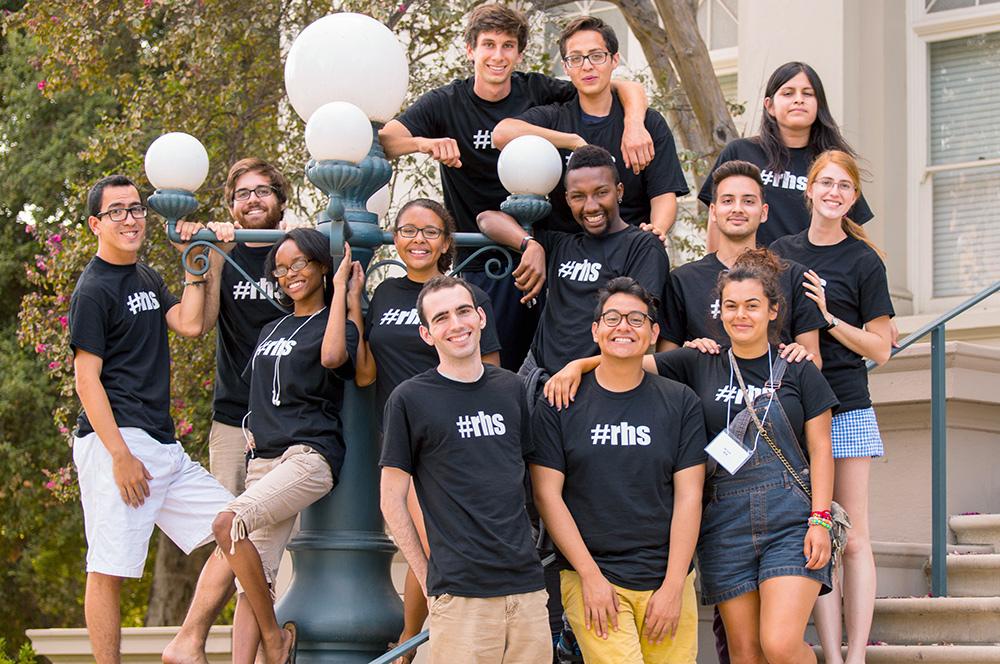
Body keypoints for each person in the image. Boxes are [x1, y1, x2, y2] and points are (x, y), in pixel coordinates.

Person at [547, 249, 838, 664]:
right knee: (744, 651)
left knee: (779, 643)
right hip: (724, 520)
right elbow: (626, 353)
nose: (741, 315)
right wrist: (576, 365)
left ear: (774, 311)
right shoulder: (699, 361)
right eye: (731, 306)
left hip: (790, 517)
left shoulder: (799, 367)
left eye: (753, 306)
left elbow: (821, 448)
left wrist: (820, 518)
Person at [379, 3, 652, 371]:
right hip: (483, 257)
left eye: (508, 46)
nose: (497, 55)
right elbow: (388, 140)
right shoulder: (447, 102)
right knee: (492, 367)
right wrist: (424, 144)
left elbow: (621, 85)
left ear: (519, 53)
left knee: (556, 364)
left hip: (548, 253)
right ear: (470, 50)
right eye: (488, 45)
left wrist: (634, 124)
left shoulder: (535, 90)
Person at [69, 175, 235, 664]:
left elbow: (190, 323)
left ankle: (186, 643)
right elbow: (86, 381)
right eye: (116, 211)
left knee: (238, 527)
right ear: (96, 224)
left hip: (163, 445)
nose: (131, 219)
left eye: (136, 209)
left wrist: (205, 260)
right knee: (109, 569)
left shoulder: (145, 277)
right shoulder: (93, 289)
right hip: (116, 443)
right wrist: (119, 455)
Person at [351, 199, 501, 661]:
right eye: (408, 230)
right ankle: (419, 636)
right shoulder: (388, 293)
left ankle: (413, 640)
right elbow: (364, 375)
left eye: (430, 231)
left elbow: (489, 370)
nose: (418, 239)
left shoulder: (465, 299)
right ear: (395, 237)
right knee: (419, 536)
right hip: (401, 434)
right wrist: (355, 306)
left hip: (454, 438)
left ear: (446, 243)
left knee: (432, 538)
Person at [529, 277, 705, 664]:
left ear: (654, 333)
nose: (623, 326)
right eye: (611, 317)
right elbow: (546, 494)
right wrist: (590, 578)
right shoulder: (561, 401)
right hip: (593, 574)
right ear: (595, 330)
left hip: (668, 577)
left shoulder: (681, 402)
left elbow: (690, 496)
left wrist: (674, 585)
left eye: (636, 319)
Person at [206, 228, 359, 664]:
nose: (290, 274)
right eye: (281, 268)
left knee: (226, 524)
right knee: (252, 578)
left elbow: (332, 358)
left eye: (300, 264)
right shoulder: (272, 326)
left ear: (321, 266)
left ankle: (273, 640)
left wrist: (343, 287)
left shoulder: (336, 324)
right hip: (263, 459)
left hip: (308, 456)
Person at [380, 276, 550, 664]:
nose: (456, 325)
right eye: (441, 318)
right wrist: (427, 583)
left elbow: (529, 483)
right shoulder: (409, 399)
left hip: (525, 590)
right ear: (427, 334)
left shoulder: (511, 390)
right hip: (460, 596)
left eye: (462, 311)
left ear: (481, 318)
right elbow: (391, 501)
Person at [770, 150, 894, 664]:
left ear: (853, 197)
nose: (835, 193)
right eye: (827, 183)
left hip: (846, 407)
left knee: (854, 536)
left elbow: (882, 349)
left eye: (845, 186)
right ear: (810, 190)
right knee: (814, 531)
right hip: (795, 412)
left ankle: (857, 655)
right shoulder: (781, 251)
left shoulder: (864, 261)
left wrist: (827, 317)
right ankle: (830, 653)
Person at [478, 145, 672, 375]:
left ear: (619, 191)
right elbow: (487, 219)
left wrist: (579, 370)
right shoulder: (562, 244)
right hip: (538, 372)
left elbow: (635, 326)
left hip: (598, 376)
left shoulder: (642, 245)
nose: (590, 206)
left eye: (601, 192)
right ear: (568, 199)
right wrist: (530, 244)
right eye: (579, 196)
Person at [492, 15, 688, 237]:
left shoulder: (647, 124)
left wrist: (657, 230)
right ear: (566, 67)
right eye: (575, 58)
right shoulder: (555, 118)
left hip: (630, 248)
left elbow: (663, 193)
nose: (587, 66)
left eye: (596, 56)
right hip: (566, 253)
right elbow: (502, 133)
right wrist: (573, 142)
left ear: (614, 60)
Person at [699, 62, 873, 251]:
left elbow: (853, 231)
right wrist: (715, 272)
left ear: (819, 104)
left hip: (809, 276)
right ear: (770, 105)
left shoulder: (832, 165)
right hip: (747, 275)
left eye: (807, 93)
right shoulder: (739, 152)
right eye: (788, 93)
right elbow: (716, 221)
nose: (799, 100)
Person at [664, 160, 826, 360]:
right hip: (703, 390)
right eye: (728, 201)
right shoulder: (683, 281)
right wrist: (688, 353)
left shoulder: (793, 276)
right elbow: (665, 363)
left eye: (748, 201)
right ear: (713, 212)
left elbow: (814, 359)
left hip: (776, 388)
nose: (738, 209)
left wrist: (801, 356)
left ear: (763, 212)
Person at [202, 158, 291, 496]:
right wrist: (213, 258)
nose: (253, 199)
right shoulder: (224, 255)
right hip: (232, 417)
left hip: (290, 418)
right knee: (230, 530)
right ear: (231, 206)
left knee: (287, 536)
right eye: (242, 193)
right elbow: (204, 322)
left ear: (280, 201)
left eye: (262, 190)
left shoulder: (297, 255)